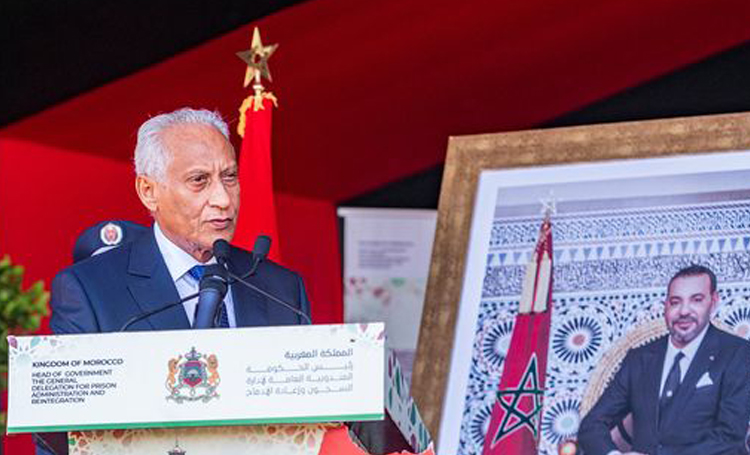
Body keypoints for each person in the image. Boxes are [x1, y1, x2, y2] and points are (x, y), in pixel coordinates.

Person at [35, 108, 310, 455]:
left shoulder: (281, 288)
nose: (223, 200)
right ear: (148, 191)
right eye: (199, 180)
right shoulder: (89, 291)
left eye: (229, 177)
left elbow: (310, 423)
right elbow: (64, 438)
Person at [578, 265, 750, 455]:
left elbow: (729, 438)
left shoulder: (737, 353)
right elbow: (592, 425)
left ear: (714, 301)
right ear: (665, 306)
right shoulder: (639, 359)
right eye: (675, 302)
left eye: (696, 300)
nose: (684, 311)